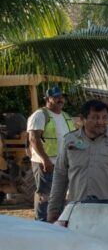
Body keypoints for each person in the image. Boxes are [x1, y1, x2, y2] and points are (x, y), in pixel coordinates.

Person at [46, 100, 108, 223]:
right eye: (95, 118)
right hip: (77, 212)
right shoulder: (69, 141)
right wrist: (53, 210)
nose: (101, 122)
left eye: (104, 117)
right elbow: (60, 177)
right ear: (82, 119)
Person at [26, 86, 76, 221]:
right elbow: (33, 139)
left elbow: (72, 139)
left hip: (62, 164)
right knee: (45, 194)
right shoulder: (40, 115)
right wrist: (45, 160)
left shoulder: (66, 116)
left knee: (59, 194)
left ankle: (56, 222)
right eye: (56, 97)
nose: (60, 99)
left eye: (62, 97)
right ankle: (42, 223)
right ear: (48, 99)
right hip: (46, 163)